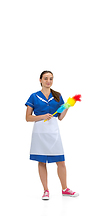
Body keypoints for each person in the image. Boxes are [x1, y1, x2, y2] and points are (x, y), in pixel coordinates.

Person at [25, 70, 79, 199]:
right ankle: (46, 190)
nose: (48, 81)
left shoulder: (57, 95)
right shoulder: (34, 96)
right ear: (40, 80)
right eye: (46, 78)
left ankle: (65, 189)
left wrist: (67, 107)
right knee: (42, 161)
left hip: (53, 132)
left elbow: (60, 117)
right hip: (40, 132)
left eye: (51, 79)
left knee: (61, 161)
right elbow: (27, 118)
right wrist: (42, 116)